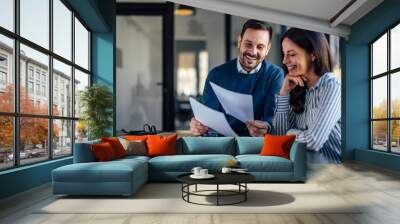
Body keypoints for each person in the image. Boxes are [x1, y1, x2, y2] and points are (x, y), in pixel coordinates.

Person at [190, 19, 284, 136]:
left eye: (260, 47)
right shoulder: (216, 75)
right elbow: (209, 119)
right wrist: (200, 127)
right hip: (223, 144)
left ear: (268, 49)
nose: (253, 52)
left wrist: (267, 126)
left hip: (258, 144)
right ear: (239, 42)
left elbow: (273, 115)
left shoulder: (275, 75)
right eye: (248, 44)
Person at [274, 28, 341, 163]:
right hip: (307, 167)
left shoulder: (332, 86)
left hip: (334, 171)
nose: (285, 61)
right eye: (284, 54)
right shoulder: (297, 88)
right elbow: (279, 135)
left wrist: (290, 133)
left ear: (313, 54)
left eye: (291, 54)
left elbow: (313, 141)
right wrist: (284, 93)